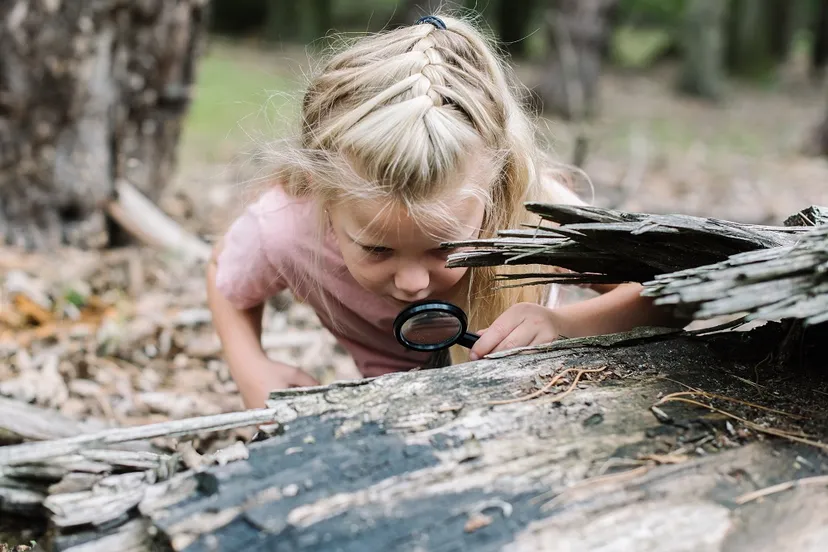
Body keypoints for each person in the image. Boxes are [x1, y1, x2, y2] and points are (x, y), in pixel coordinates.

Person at [206, 13, 681, 409]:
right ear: (320, 192)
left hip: (526, 407)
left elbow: (672, 291)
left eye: (446, 247)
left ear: (493, 190)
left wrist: (565, 327)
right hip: (391, 413)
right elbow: (226, 280)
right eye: (376, 249)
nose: (412, 282)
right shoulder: (286, 227)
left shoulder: (536, 211)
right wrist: (252, 369)